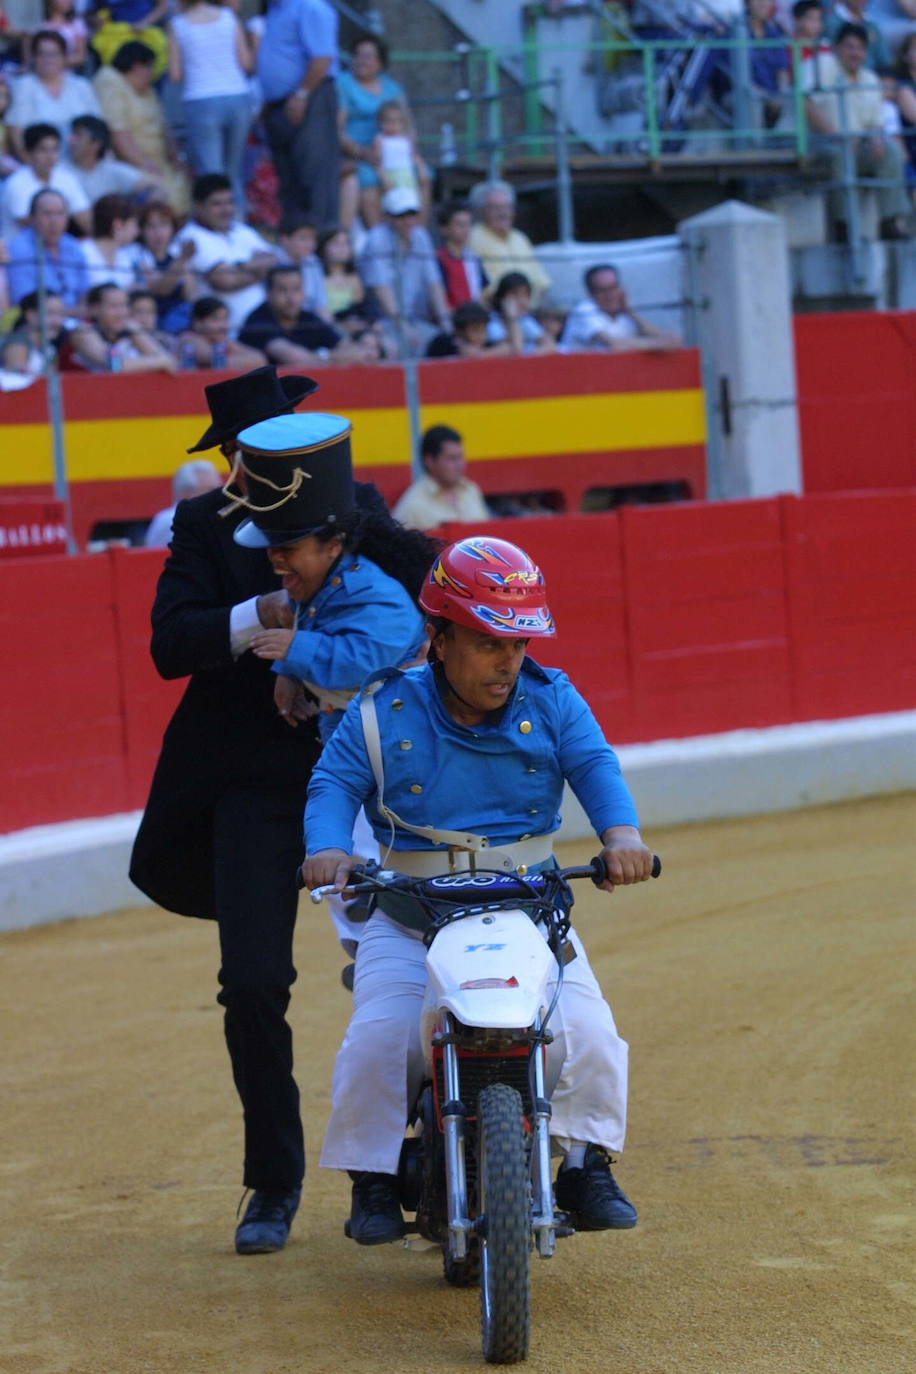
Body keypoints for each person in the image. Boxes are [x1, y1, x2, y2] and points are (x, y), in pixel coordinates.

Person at [126, 366, 422, 1256]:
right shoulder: (203, 524)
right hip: (256, 781)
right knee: (253, 982)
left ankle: (411, 1156)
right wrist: (266, 609)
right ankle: (274, 1179)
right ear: (229, 458)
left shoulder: (354, 507)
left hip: (373, 778)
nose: (251, 468)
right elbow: (171, 645)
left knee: (407, 968)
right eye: (243, 455)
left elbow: (432, 600)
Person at [301, 534, 655, 1244]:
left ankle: (587, 1166)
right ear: (438, 636)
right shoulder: (379, 711)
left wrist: (621, 837)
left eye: (519, 644)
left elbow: (595, 766)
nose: (509, 661)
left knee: (588, 1033)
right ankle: (371, 1181)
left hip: (529, 909)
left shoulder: (554, 702)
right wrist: (328, 848)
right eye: (490, 642)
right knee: (379, 1038)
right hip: (409, 914)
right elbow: (333, 782)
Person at [804, 21, 911, 239]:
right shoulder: (822, 64)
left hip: (857, 145)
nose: (855, 53)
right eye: (849, 47)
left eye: (860, 48)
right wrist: (835, 136)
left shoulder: (869, 78)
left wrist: (876, 138)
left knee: (890, 150)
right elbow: (805, 103)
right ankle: (845, 227)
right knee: (840, 152)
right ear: (836, 47)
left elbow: (876, 121)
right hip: (820, 143)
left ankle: (890, 222)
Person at [257, 0, 340, 232]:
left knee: (314, 174)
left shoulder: (310, 6)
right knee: (288, 180)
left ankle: (323, 241)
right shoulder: (274, 9)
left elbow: (322, 58)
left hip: (309, 97)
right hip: (278, 104)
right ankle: (296, 244)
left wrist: (302, 94)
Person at [167, 0, 253, 212]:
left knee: (211, 175)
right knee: (233, 173)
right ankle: (237, 229)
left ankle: (215, 231)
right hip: (237, 97)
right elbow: (246, 63)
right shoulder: (228, 16)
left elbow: (175, 74)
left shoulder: (178, 24)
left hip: (201, 99)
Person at [93, 40, 190, 216]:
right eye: (150, 67)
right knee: (166, 196)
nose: (152, 73)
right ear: (137, 66)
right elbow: (118, 133)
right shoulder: (110, 81)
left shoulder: (148, 90)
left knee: (187, 185)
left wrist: (177, 157)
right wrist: (143, 164)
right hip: (131, 163)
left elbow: (164, 127)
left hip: (158, 162)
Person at [176, 172, 278, 335]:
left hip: (264, 323)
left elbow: (274, 261)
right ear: (198, 206)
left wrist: (239, 268)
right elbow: (225, 280)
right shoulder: (190, 237)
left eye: (229, 202)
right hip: (227, 332)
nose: (226, 210)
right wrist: (257, 270)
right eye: (217, 204)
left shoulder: (241, 230)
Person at [358, 185, 451, 358]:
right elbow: (381, 290)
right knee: (392, 349)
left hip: (415, 319)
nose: (408, 221)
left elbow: (434, 283)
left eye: (412, 214)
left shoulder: (421, 236)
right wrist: (402, 327)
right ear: (387, 217)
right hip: (380, 322)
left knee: (447, 344)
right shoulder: (376, 240)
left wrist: (446, 321)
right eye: (401, 216)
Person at [336, 31, 409, 229]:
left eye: (367, 56)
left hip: (391, 156)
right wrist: (363, 153)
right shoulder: (343, 83)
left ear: (380, 62)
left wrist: (408, 153)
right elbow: (337, 129)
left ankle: (413, 236)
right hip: (357, 155)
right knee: (369, 179)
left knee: (423, 176)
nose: (361, 61)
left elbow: (408, 127)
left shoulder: (393, 89)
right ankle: (378, 237)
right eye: (357, 55)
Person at [237, 262, 365, 365]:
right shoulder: (258, 320)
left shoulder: (308, 318)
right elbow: (294, 358)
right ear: (268, 294)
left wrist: (322, 357)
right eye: (283, 290)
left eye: (296, 289)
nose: (291, 298)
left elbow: (355, 352)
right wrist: (330, 356)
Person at [5, 26, 100, 157]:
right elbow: (17, 136)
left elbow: (97, 130)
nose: (47, 60)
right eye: (41, 54)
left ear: (64, 57)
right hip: (40, 167)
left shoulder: (81, 86)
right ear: (33, 57)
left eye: (54, 54)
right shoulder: (22, 86)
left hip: (83, 162)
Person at [560, 263, 683, 352]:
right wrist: (658, 345)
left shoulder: (625, 314)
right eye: (602, 290)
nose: (610, 295)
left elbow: (675, 340)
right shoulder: (584, 311)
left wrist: (631, 313)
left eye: (613, 288)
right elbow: (615, 345)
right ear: (590, 293)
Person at [0, 119, 90, 239]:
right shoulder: (16, 183)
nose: (50, 157)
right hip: (21, 250)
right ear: (28, 153)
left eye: (54, 149)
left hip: (57, 246)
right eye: (43, 150)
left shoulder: (67, 178)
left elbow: (85, 219)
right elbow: (33, 227)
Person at [468, 178, 551, 307]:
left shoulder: (520, 238)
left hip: (530, 312)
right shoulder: (472, 238)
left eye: (507, 207)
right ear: (481, 210)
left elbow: (542, 283)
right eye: (495, 207)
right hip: (496, 313)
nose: (503, 213)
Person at [392, 424, 490, 531]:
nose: (459, 465)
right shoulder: (412, 505)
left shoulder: (471, 489)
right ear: (429, 461)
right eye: (451, 459)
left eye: (460, 457)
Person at [65, 279, 178, 372]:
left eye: (124, 305)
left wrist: (136, 332)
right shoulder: (83, 331)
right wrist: (160, 362)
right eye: (114, 306)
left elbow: (171, 363)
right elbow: (114, 366)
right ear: (95, 309)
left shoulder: (128, 328)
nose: (122, 313)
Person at [6, 185, 88, 305]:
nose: (54, 221)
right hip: (37, 321)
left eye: (60, 213)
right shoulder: (18, 250)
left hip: (77, 322)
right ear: (32, 218)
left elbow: (86, 296)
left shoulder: (73, 246)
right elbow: (27, 303)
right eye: (47, 214)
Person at [131, 199, 196, 335]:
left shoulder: (177, 253)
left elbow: (189, 294)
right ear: (141, 230)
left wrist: (182, 261)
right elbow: (160, 289)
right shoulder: (136, 254)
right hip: (153, 323)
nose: (158, 233)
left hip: (181, 319)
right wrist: (181, 261)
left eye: (164, 225)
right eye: (151, 226)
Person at [65, 113, 162, 202]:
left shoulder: (110, 170)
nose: (70, 140)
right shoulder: (62, 171)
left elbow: (156, 186)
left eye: (78, 135)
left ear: (95, 144)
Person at [144, 456, 222, 546]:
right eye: (210, 490)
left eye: (218, 489)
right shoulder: (171, 520)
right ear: (185, 493)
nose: (217, 495)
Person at [177, 294, 267, 369]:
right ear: (197, 323)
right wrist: (243, 360)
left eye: (225, 319)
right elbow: (215, 361)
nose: (223, 326)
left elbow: (260, 359)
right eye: (215, 319)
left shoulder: (221, 340)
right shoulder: (188, 339)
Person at [78, 191, 140, 289]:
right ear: (118, 224)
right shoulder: (82, 252)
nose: (137, 231)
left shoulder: (125, 256)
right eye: (133, 224)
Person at [435, 198, 487, 310]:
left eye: (468, 224)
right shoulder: (438, 259)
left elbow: (481, 295)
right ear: (444, 228)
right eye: (459, 224)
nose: (466, 229)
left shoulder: (474, 258)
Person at [487, 270, 555, 355]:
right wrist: (512, 318)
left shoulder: (525, 318)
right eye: (515, 294)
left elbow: (550, 344)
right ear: (502, 297)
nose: (522, 301)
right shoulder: (491, 321)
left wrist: (530, 356)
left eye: (525, 294)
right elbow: (516, 350)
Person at [276, 214, 331, 318]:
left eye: (312, 239)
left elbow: (320, 304)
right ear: (284, 240)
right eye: (303, 238)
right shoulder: (272, 262)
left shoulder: (313, 261)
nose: (310, 244)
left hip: (309, 321)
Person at [425, 299, 506, 359]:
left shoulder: (486, 345)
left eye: (484, 330)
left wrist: (482, 354)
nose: (481, 335)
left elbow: (509, 348)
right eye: (475, 330)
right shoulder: (443, 344)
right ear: (459, 332)